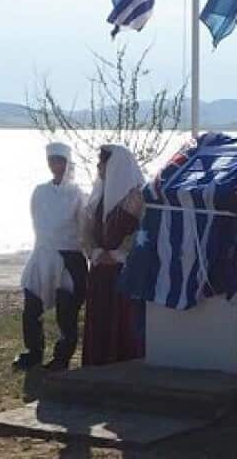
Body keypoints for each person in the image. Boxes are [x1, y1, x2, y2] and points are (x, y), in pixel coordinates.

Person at [13, 142, 89, 372]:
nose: (56, 165)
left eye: (60, 161)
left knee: (66, 313)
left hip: (69, 257)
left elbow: (83, 228)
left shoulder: (77, 195)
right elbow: (38, 221)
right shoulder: (40, 192)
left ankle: (61, 358)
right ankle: (33, 352)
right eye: (52, 161)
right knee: (32, 306)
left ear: (67, 163)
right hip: (43, 255)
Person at [80, 144, 146, 366]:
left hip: (124, 271)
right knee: (100, 317)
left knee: (123, 318)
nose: (99, 167)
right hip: (100, 269)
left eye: (103, 162)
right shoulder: (98, 195)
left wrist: (120, 254)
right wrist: (96, 253)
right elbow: (86, 229)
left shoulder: (137, 196)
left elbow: (143, 231)